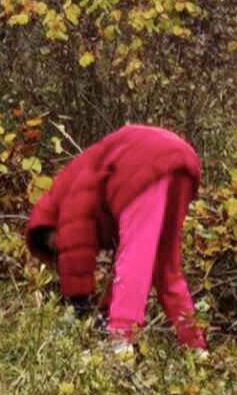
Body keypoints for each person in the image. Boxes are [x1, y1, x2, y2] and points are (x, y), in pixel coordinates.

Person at [26, 124, 208, 354]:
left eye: (55, 245)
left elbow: (76, 252)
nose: (60, 250)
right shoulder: (89, 171)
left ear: (51, 224)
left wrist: (78, 303)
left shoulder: (65, 196)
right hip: (180, 159)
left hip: (147, 160)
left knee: (136, 254)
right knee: (167, 267)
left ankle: (121, 340)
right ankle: (196, 347)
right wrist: (104, 308)